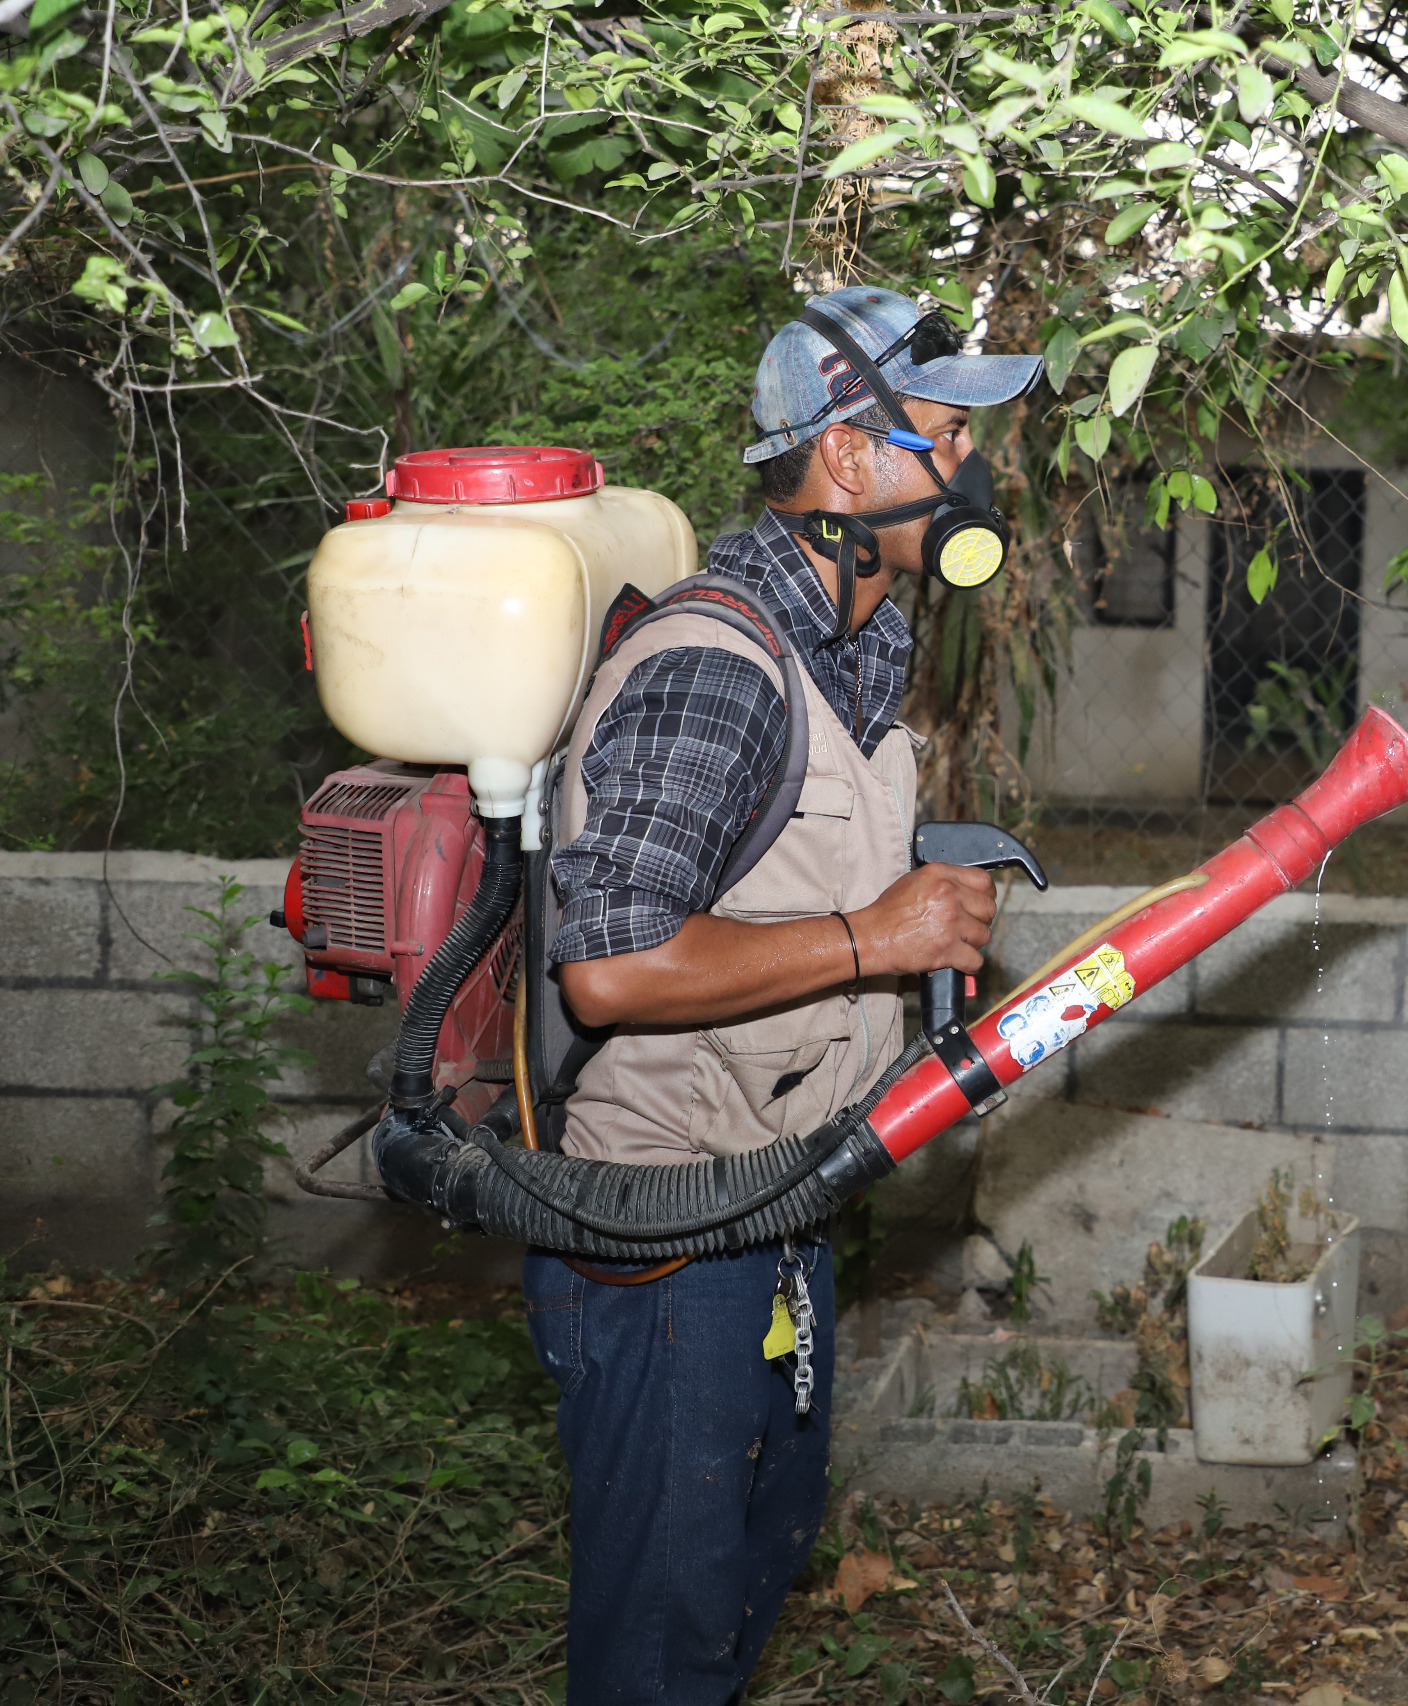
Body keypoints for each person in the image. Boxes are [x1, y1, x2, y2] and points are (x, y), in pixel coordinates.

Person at [524, 286, 1042, 1705]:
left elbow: (772, 870)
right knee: (658, 1652)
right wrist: (873, 935)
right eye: (944, 433)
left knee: (738, 1592)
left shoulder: (853, 641)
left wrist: (906, 905)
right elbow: (612, 963)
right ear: (852, 461)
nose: (971, 472)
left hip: (774, 1211)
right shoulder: (718, 665)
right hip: (668, 1241)